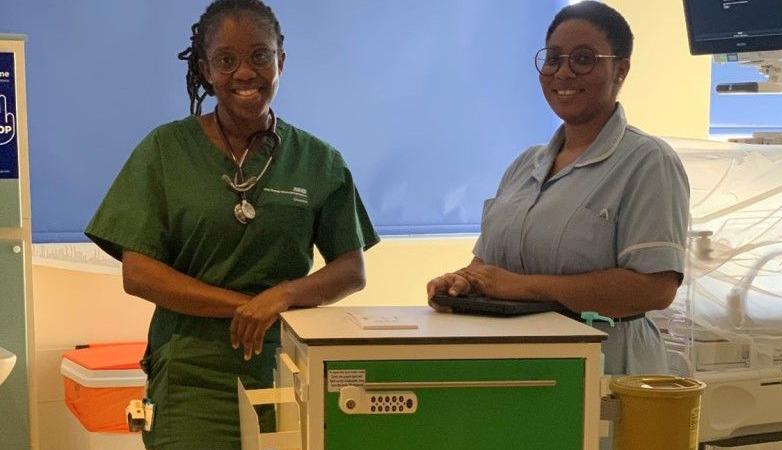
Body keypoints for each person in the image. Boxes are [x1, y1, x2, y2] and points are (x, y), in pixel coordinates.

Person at [85, 1, 379, 448]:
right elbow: (138, 272)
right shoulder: (165, 151)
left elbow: (351, 269)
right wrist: (243, 306)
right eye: (226, 60)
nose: (245, 73)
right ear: (205, 69)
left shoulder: (319, 161)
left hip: (288, 366)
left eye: (260, 56)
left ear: (281, 61)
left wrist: (280, 297)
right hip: (192, 374)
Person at [426, 1, 689, 376]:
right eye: (553, 59)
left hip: (608, 370)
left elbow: (655, 288)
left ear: (620, 70)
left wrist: (523, 287)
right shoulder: (525, 164)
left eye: (583, 59)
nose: (563, 72)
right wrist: (464, 282)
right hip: (519, 368)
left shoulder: (647, 161)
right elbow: (490, 266)